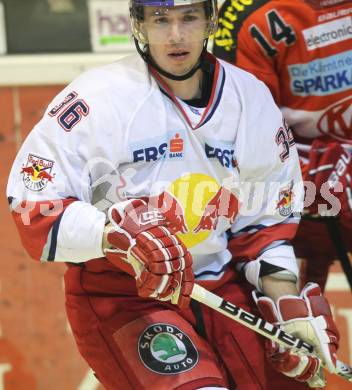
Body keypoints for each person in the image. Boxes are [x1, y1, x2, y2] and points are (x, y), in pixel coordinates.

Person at [7, 0, 340, 388]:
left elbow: (265, 224)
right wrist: (111, 235)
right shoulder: (97, 98)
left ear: (210, 20)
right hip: (125, 295)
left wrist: (286, 305)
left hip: (222, 289)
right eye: (161, 20)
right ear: (139, 25)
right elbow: (32, 205)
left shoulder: (249, 98)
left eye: (189, 17)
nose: (177, 35)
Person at [213, 0, 352, 290]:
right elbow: (240, 131)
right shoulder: (246, 13)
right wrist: (311, 169)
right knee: (295, 318)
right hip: (300, 191)